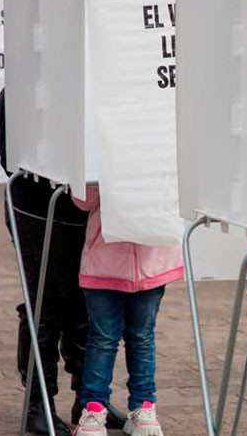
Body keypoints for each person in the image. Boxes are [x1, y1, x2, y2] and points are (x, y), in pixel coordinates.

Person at [0, 90, 126, 434]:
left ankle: (89, 396)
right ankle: (38, 403)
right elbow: (11, 158)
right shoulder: (21, 88)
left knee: (86, 303)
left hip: (86, 210)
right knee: (45, 303)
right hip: (36, 209)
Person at [71, 185, 183, 436]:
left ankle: (143, 407)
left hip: (151, 261)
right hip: (106, 263)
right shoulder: (101, 151)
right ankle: (94, 408)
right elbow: (83, 200)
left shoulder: (163, 151)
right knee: (105, 339)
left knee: (139, 337)